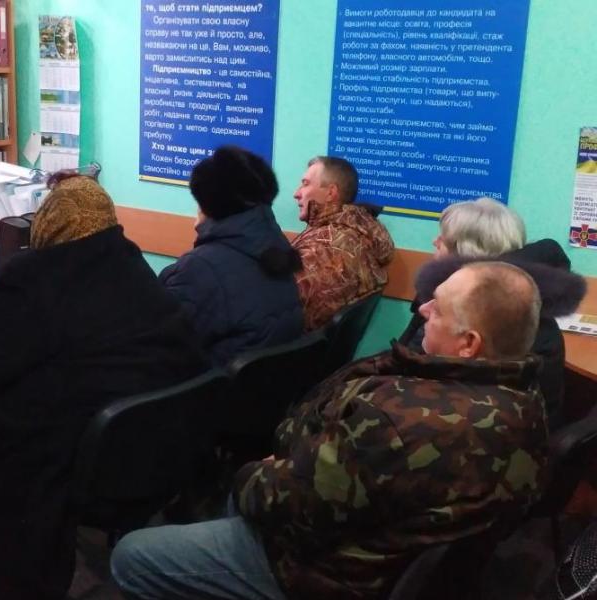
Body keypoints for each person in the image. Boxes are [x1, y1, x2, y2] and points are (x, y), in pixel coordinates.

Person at [111, 261, 555, 600]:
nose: (422, 309)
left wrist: (255, 473)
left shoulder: (398, 422)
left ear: (468, 344)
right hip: (384, 551)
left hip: (326, 571)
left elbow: (293, 503)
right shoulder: (527, 402)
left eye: (437, 308)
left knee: (131, 554)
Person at [0, 173, 208, 599]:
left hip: (54, 457)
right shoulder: (137, 268)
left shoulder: (31, 277)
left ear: (48, 223)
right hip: (139, 451)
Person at [399, 196, 574, 420]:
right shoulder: (523, 302)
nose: (435, 241)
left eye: (443, 238)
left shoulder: (489, 316)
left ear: (465, 251)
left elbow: (413, 380)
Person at [159, 146, 303, 365]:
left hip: (213, 385)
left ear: (207, 204)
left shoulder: (199, 269)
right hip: (270, 385)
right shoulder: (277, 249)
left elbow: (160, 352)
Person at [291, 156, 394, 331]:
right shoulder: (359, 234)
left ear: (331, 193)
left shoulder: (323, 248)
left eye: (305, 184)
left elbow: (273, 305)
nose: (296, 193)